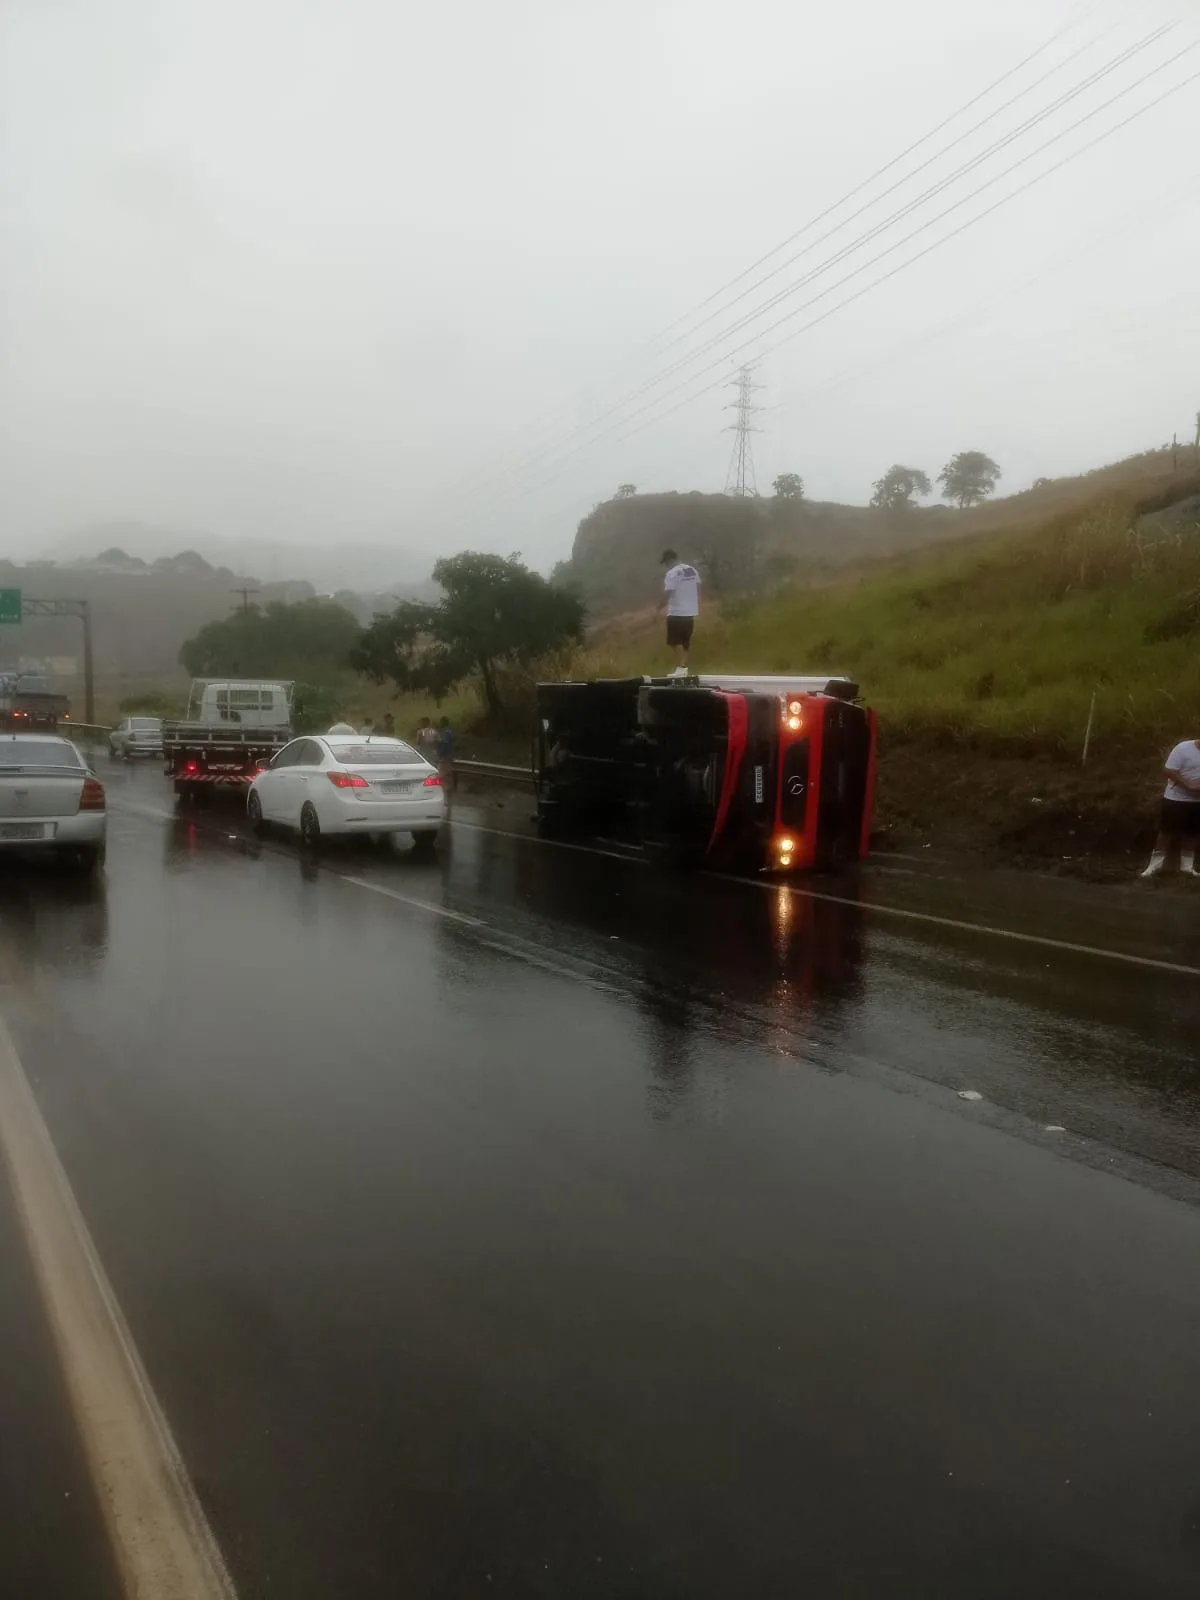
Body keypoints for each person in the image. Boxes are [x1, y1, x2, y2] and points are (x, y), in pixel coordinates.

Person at [1140, 734, 1200, 877]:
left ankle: (1187, 867)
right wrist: (1188, 785)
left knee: (1192, 834)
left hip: (1197, 802)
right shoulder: (1183, 748)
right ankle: (1154, 866)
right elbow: (1169, 770)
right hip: (1175, 798)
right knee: (1166, 832)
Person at [657, 548, 700, 676]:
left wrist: (659, 607)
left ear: (670, 560)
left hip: (677, 611)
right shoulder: (692, 570)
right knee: (685, 641)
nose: (666, 565)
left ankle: (682, 668)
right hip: (690, 611)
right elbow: (698, 586)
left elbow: (668, 592)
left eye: (666, 562)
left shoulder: (672, 573)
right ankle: (683, 668)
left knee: (674, 641)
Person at [437, 716, 457, 796]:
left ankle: (445, 791)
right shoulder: (450, 731)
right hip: (450, 756)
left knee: (441, 775)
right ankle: (449, 791)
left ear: (443, 723)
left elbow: (444, 745)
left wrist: (440, 754)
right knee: (447, 775)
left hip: (444, 758)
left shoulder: (445, 733)